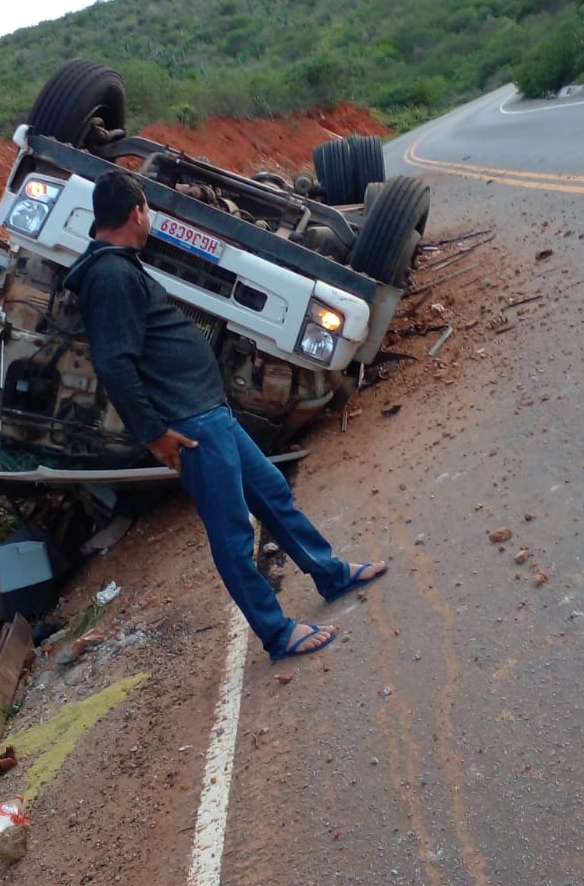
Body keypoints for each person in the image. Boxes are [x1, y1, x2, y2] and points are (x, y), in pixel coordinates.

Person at [64, 168, 388, 661]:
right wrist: (155, 434)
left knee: (273, 495)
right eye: (147, 210)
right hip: (190, 425)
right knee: (233, 531)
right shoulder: (109, 275)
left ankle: (330, 573)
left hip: (207, 413)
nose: (148, 218)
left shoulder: (118, 266)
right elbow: (114, 362)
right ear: (137, 212)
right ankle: (277, 633)